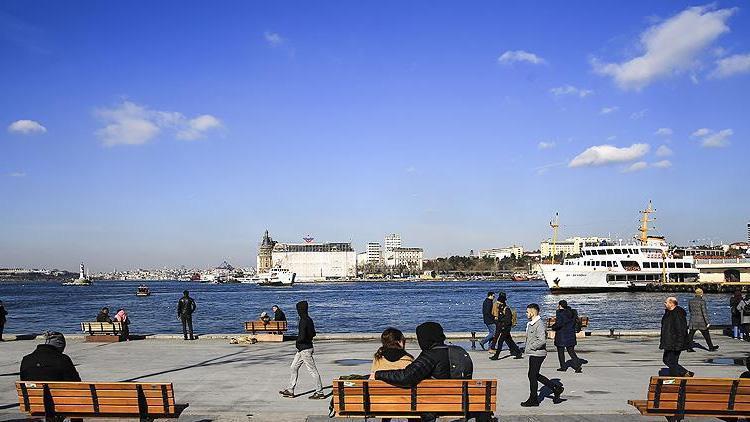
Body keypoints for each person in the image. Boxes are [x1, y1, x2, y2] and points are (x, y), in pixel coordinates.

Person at [279, 301, 325, 400]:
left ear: (300, 310)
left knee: (312, 370)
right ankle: (290, 390)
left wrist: (298, 341)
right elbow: (313, 334)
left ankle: (320, 392)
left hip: (305, 349)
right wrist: (305, 340)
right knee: (293, 367)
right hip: (303, 349)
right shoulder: (309, 319)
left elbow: (302, 336)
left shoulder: (303, 321)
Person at [521, 303, 563, 407]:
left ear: (532, 312)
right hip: (534, 353)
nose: (526, 313)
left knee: (532, 375)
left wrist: (531, 347)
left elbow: (542, 340)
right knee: (534, 375)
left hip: (538, 354)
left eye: (527, 311)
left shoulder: (539, 324)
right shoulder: (532, 323)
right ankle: (556, 388)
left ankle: (534, 399)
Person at [660, 297, 693, 377]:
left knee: (672, 362)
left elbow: (681, 330)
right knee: (666, 360)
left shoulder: (678, 314)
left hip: (675, 343)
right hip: (669, 342)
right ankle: (684, 372)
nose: (664, 304)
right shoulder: (668, 313)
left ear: (671, 303)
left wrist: (679, 344)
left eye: (666, 302)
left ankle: (674, 379)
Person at [551, 300, 582, 372]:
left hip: (561, 335)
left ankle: (563, 367)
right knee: (571, 352)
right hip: (571, 334)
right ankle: (577, 366)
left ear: (560, 305)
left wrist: (553, 327)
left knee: (561, 352)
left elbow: (559, 324)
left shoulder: (560, 313)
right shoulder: (572, 312)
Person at [490, 292, 523, 360]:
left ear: (501, 303)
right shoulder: (501, 309)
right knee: (510, 341)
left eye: (498, 303)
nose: (497, 304)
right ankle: (518, 352)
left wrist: (502, 325)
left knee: (500, 342)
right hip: (503, 327)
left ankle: (496, 356)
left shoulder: (506, 309)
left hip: (505, 328)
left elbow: (507, 321)